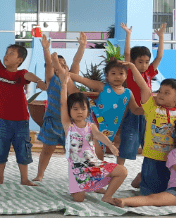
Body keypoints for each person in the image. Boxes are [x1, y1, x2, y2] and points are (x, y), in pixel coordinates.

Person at [0, 19, 46, 186]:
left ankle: (24, 179)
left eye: (11, 53)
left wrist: (39, 81)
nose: (7, 55)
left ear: (19, 60)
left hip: (21, 121)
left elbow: (29, 76)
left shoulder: (20, 74)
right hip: (2, 120)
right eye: (7, 52)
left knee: (22, 148)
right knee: (0, 148)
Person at [56, 60, 125, 206]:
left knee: (122, 171)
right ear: (69, 111)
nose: (79, 112)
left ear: (88, 111)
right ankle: (87, 186)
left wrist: (111, 146)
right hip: (78, 170)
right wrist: (64, 85)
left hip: (94, 165)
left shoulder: (91, 126)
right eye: (75, 109)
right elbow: (63, 104)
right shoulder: (68, 125)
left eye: (83, 109)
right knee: (78, 199)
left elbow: (100, 135)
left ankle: (106, 196)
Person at [68, 28, 145, 159]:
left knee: (99, 153)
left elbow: (135, 110)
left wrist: (147, 109)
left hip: (109, 130)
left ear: (126, 75)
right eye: (113, 73)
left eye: (121, 73)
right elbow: (81, 79)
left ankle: (94, 169)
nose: (117, 76)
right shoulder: (102, 86)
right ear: (107, 76)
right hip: (93, 119)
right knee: (76, 94)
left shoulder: (128, 93)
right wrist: (65, 74)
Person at [33, 33, 84, 182]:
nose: (60, 66)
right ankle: (40, 174)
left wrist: (82, 46)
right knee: (47, 150)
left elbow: (76, 61)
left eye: (63, 64)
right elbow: (49, 64)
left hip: (69, 123)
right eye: (58, 64)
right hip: (52, 122)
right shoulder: (51, 80)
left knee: (73, 151)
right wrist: (46, 49)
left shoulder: (71, 79)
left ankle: (78, 175)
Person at [119, 23, 166, 166]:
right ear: (133, 62)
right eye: (140, 62)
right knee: (127, 142)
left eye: (146, 62)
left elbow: (159, 56)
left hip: (148, 112)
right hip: (133, 111)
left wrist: (161, 37)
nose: (144, 65)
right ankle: (118, 168)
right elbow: (127, 54)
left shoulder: (149, 72)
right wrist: (128, 35)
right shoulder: (130, 71)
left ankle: (147, 172)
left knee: (149, 143)